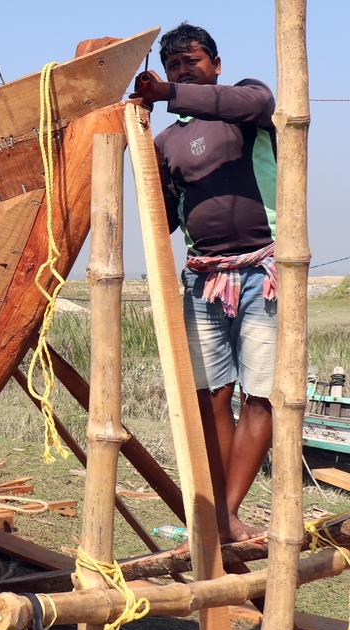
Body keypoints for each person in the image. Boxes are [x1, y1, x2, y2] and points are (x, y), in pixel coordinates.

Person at [134, 23, 277, 542]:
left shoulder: (250, 104)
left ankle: (227, 511)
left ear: (215, 63)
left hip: (265, 272)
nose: (181, 72)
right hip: (204, 278)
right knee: (211, 395)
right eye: (173, 68)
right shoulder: (169, 141)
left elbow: (253, 103)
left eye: (191, 63)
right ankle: (222, 513)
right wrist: (141, 150)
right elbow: (167, 219)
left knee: (260, 395)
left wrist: (169, 92)